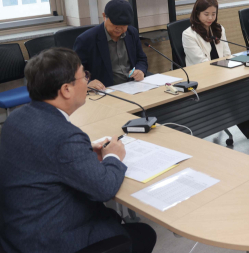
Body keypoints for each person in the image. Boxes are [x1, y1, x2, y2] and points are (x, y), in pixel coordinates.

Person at [0, 48, 156, 253]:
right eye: (85, 75)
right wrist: (113, 156)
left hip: (17, 232)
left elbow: (44, 154)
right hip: (50, 240)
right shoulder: (64, 136)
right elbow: (104, 189)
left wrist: (82, 150)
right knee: (144, 234)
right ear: (66, 89)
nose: (87, 81)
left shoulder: (17, 118)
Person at [183, 0, 249, 153]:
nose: (210, 18)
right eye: (206, 14)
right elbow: (201, 63)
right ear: (197, 13)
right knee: (234, 94)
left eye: (213, 14)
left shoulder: (218, 29)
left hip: (223, 74)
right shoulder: (189, 35)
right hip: (203, 79)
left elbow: (227, 55)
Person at [74, 0, 148, 90]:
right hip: (106, 89)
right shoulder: (86, 39)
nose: (119, 29)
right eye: (115, 25)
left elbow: (141, 59)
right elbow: (73, 71)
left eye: (124, 26)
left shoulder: (132, 33)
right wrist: (88, 83)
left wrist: (140, 70)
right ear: (104, 16)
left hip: (133, 85)